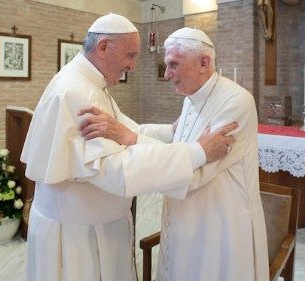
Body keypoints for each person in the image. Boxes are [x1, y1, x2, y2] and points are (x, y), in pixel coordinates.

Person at [20, 14, 237, 281]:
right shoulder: (78, 92)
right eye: (130, 55)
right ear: (102, 48)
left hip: (92, 223)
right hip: (79, 234)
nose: (133, 66)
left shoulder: (88, 83)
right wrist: (198, 152)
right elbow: (116, 171)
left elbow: (124, 131)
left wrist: (170, 132)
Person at [80, 27, 269, 280]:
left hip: (219, 224)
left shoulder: (235, 102)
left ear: (203, 63)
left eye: (173, 65)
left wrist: (129, 138)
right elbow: (178, 139)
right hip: (185, 218)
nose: (167, 74)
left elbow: (194, 173)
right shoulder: (192, 96)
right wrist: (127, 131)